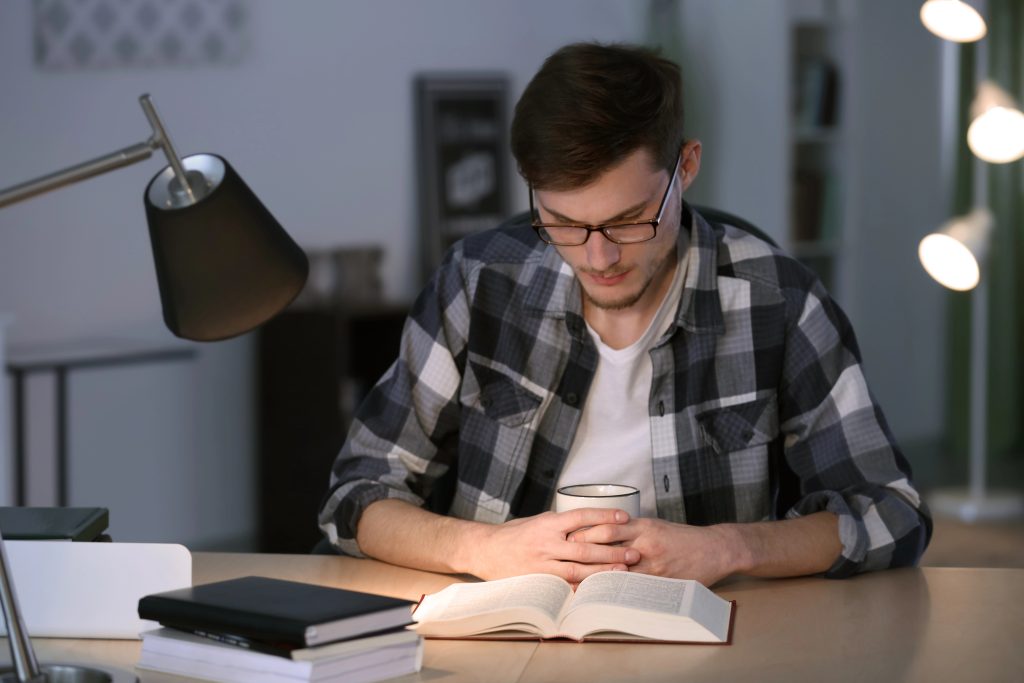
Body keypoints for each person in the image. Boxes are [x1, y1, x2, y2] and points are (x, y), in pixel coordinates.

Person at [318, 42, 931, 586]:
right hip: (500, 630)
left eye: (629, 220)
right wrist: (481, 548)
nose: (599, 255)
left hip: (707, 640)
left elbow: (891, 513)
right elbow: (357, 494)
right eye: (562, 223)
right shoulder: (477, 284)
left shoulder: (780, 298)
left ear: (685, 168)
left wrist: (729, 547)